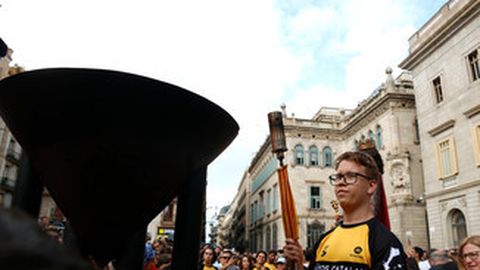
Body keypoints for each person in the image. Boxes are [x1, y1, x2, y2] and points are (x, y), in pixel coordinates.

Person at [284, 151, 407, 269]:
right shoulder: (324, 240)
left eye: (350, 176)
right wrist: (298, 265)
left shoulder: (385, 243)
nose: (341, 183)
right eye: (338, 177)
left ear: (371, 186)